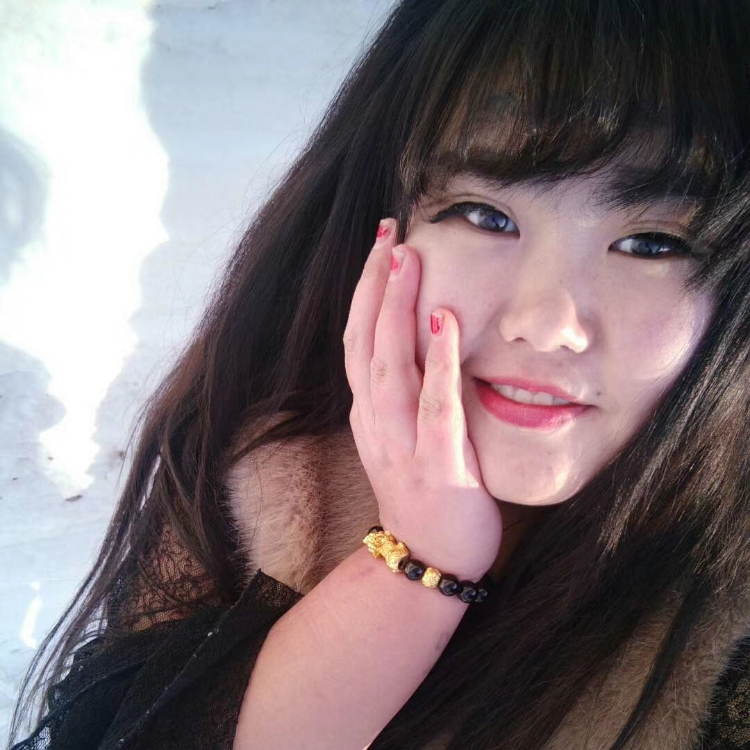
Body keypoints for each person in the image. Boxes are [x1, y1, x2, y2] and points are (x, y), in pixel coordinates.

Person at [8, 1, 750, 748]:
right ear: (383, 223)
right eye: (486, 216)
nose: (548, 321)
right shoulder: (266, 451)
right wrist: (422, 562)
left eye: (654, 244)